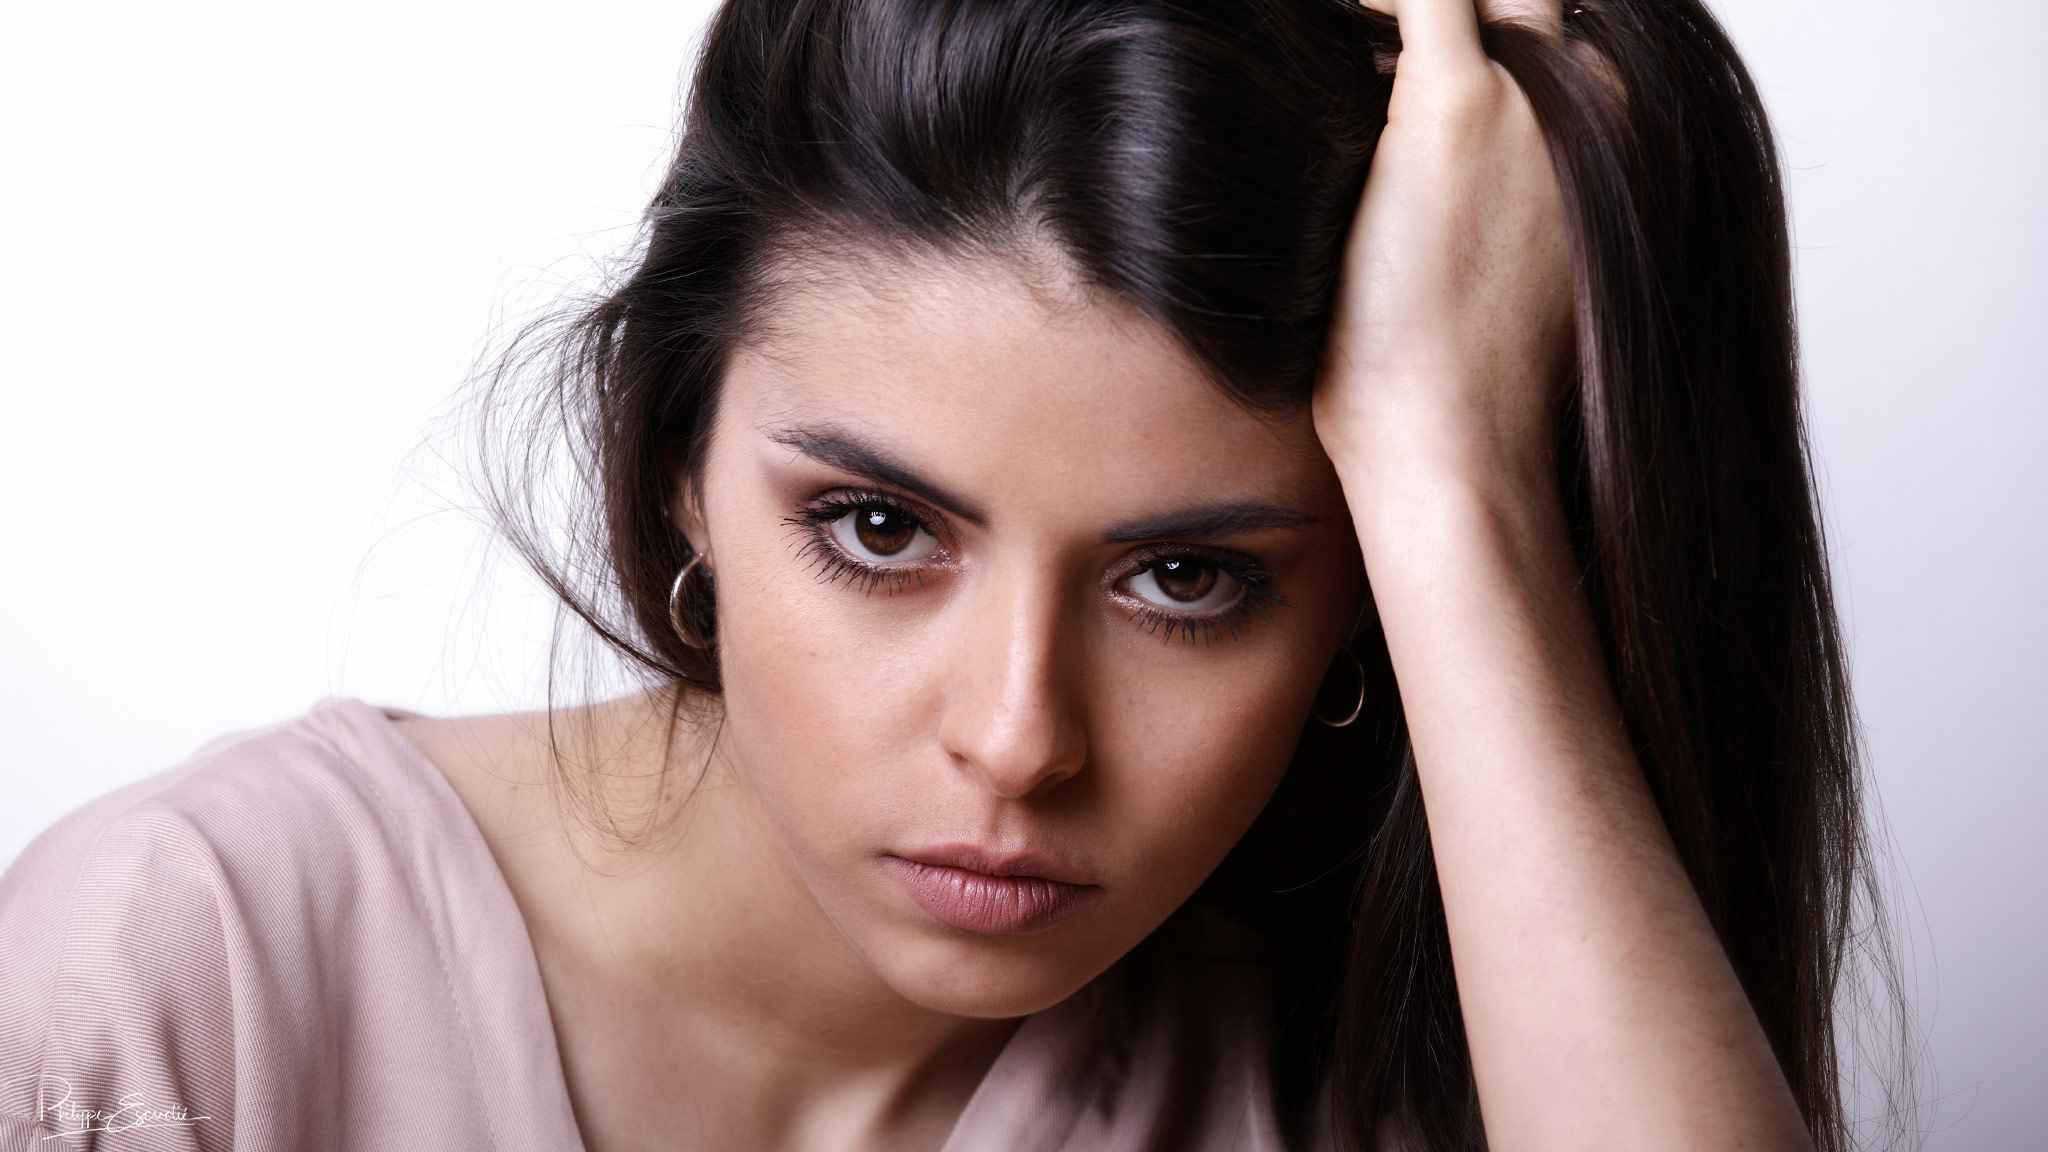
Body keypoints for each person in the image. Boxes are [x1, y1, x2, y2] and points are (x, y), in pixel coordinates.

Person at [0, 0, 1899, 1148]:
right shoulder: (178, 987)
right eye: (881, 530)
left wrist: (1455, 491)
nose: (1018, 741)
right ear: (678, 464)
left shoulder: (1363, 1077)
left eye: (1189, 580)